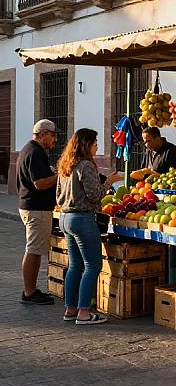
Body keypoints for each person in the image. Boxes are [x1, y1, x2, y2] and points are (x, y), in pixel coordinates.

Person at [56, 128, 122, 325]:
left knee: (75, 265)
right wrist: (109, 182)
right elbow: (94, 195)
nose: (97, 146)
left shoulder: (65, 165)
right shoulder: (86, 165)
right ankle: (84, 312)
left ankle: (70, 309)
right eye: (94, 143)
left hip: (65, 217)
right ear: (86, 145)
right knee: (93, 265)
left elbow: (58, 197)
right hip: (82, 219)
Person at [16, 119, 59, 305]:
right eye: (52, 135)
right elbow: (40, 183)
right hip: (36, 209)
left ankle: (31, 290)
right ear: (42, 134)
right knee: (33, 251)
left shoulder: (29, 149)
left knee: (34, 249)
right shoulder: (35, 152)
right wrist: (60, 176)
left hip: (32, 207)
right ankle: (29, 292)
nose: (55, 139)